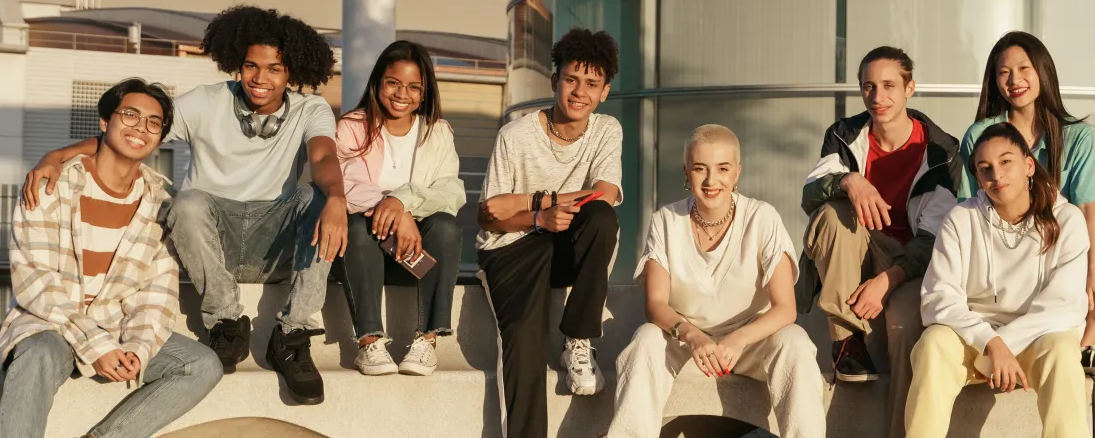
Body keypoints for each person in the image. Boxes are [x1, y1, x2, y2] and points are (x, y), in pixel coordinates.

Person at [22, 5, 349, 405]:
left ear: (292, 72)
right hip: (209, 242)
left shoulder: (310, 109)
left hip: (271, 240)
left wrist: (336, 197)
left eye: (274, 69)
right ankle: (226, 322)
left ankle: (292, 335)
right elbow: (135, 137)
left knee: (316, 197)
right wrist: (58, 155)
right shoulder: (204, 102)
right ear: (236, 64)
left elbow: (323, 159)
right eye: (250, 66)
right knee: (189, 201)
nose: (260, 79)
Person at [0, 79, 223, 438]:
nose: (140, 128)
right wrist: (96, 345)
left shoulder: (161, 202)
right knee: (37, 354)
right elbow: (35, 284)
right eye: (130, 115)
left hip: (116, 328)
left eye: (153, 123)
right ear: (105, 122)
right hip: (50, 325)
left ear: (160, 138)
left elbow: (157, 293)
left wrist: (138, 346)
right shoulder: (49, 186)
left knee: (200, 364)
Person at [958, 31, 1095, 414]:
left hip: (1062, 252)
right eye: (1003, 72)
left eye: (1024, 68)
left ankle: (1082, 345)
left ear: (1043, 71)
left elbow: (1087, 207)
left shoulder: (1075, 135)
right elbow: (968, 209)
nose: (1014, 80)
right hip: (1005, 257)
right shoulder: (981, 136)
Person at [612, 124, 825, 438]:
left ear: (737, 172)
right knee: (645, 339)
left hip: (751, 345)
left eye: (722, 169)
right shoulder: (666, 220)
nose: (711, 181)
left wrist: (736, 341)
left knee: (794, 340)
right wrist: (693, 337)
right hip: (686, 347)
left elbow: (785, 309)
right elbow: (655, 304)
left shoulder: (762, 217)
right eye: (700, 169)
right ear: (687, 172)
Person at [797, 47, 959, 437]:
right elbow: (810, 197)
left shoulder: (941, 151)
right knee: (833, 213)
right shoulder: (843, 135)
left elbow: (934, 236)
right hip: (853, 252)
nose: (877, 96)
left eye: (889, 86)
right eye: (868, 86)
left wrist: (888, 281)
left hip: (909, 263)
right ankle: (846, 341)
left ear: (910, 89)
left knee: (905, 324)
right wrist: (849, 180)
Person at [476, 28, 623, 438]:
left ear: (604, 92)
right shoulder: (515, 136)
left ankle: (578, 338)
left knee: (600, 218)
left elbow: (606, 194)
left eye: (592, 84)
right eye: (572, 79)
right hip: (511, 249)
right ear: (554, 81)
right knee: (523, 335)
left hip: (561, 246)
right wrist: (537, 218)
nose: (580, 92)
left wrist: (533, 200)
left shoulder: (607, 130)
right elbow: (490, 217)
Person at [905, 122, 1091, 438]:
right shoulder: (961, 219)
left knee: (1062, 347)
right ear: (977, 178)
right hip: (973, 336)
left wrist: (1005, 344)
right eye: (985, 168)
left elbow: (1066, 306)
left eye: (1006, 162)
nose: (997, 175)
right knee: (933, 344)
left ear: (1029, 165)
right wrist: (989, 343)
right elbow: (939, 296)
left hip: (1036, 337)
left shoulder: (1067, 220)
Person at [334, 40, 464, 377]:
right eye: (393, 82)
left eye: (413, 86)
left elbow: (451, 192)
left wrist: (403, 199)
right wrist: (395, 212)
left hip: (418, 257)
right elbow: (347, 183)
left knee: (446, 226)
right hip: (366, 254)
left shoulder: (437, 132)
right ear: (377, 82)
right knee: (357, 226)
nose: (401, 93)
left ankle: (427, 340)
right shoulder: (352, 126)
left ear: (424, 93)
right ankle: (369, 343)